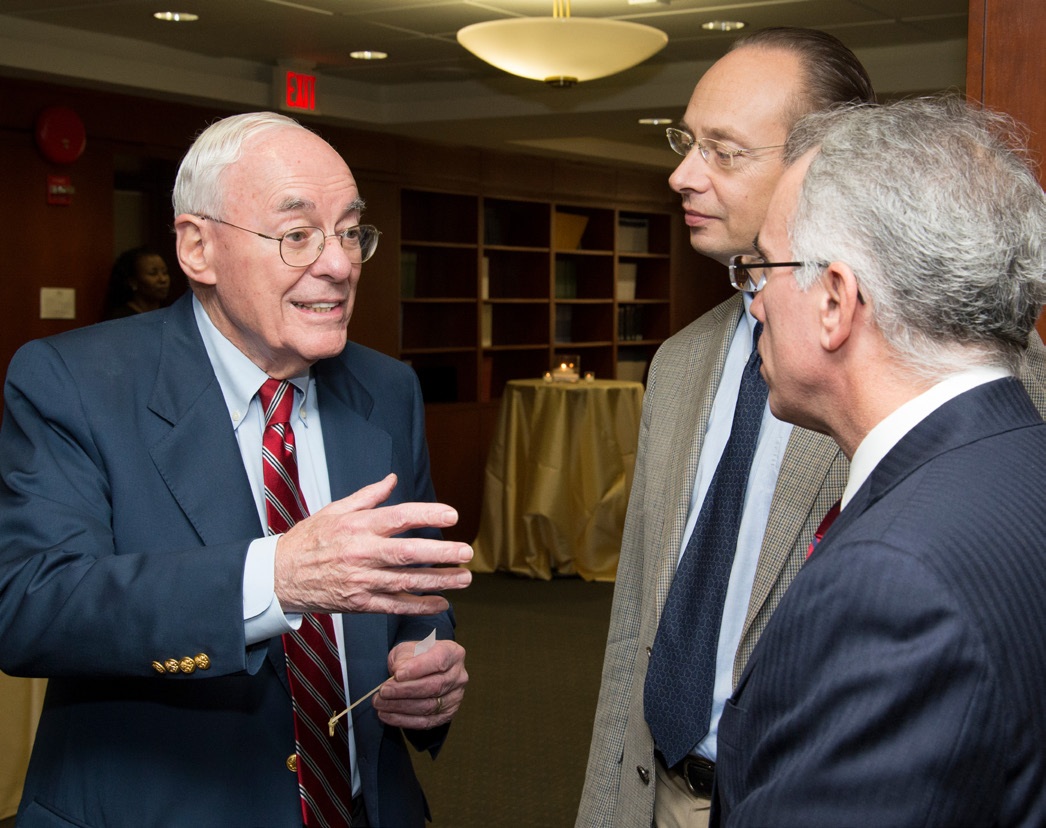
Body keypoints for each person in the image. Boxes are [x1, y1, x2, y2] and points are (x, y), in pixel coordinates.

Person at [577, 28, 1046, 828]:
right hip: (658, 788)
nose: (682, 174)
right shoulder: (681, 361)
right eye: (686, 143)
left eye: (723, 150)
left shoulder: (959, 366)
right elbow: (638, 626)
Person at [0, 112, 473, 828]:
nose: (340, 264)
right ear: (198, 248)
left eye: (350, 232)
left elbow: (414, 588)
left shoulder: (387, 390)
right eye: (297, 235)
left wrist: (426, 659)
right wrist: (274, 578)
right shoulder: (75, 382)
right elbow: (31, 606)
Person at [715, 95, 1046, 825]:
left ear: (836, 300)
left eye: (763, 269)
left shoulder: (892, 580)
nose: (755, 304)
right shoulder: (1020, 459)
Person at [103, 245, 171, 318]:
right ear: (133, 282)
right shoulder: (122, 319)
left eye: (165, 272)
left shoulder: (170, 314)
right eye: (153, 274)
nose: (163, 279)